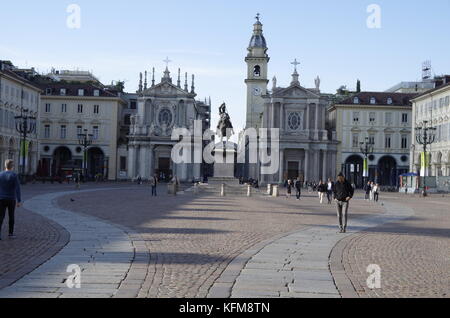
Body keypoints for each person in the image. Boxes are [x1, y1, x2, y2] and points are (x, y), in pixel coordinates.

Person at [0, 160, 22, 240]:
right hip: (11, 199)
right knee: (11, 216)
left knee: (0, 217)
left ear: (5, 166)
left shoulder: (0, 174)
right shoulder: (14, 175)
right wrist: (19, 200)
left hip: (1, 198)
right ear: (12, 166)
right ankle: (10, 233)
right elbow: (17, 188)